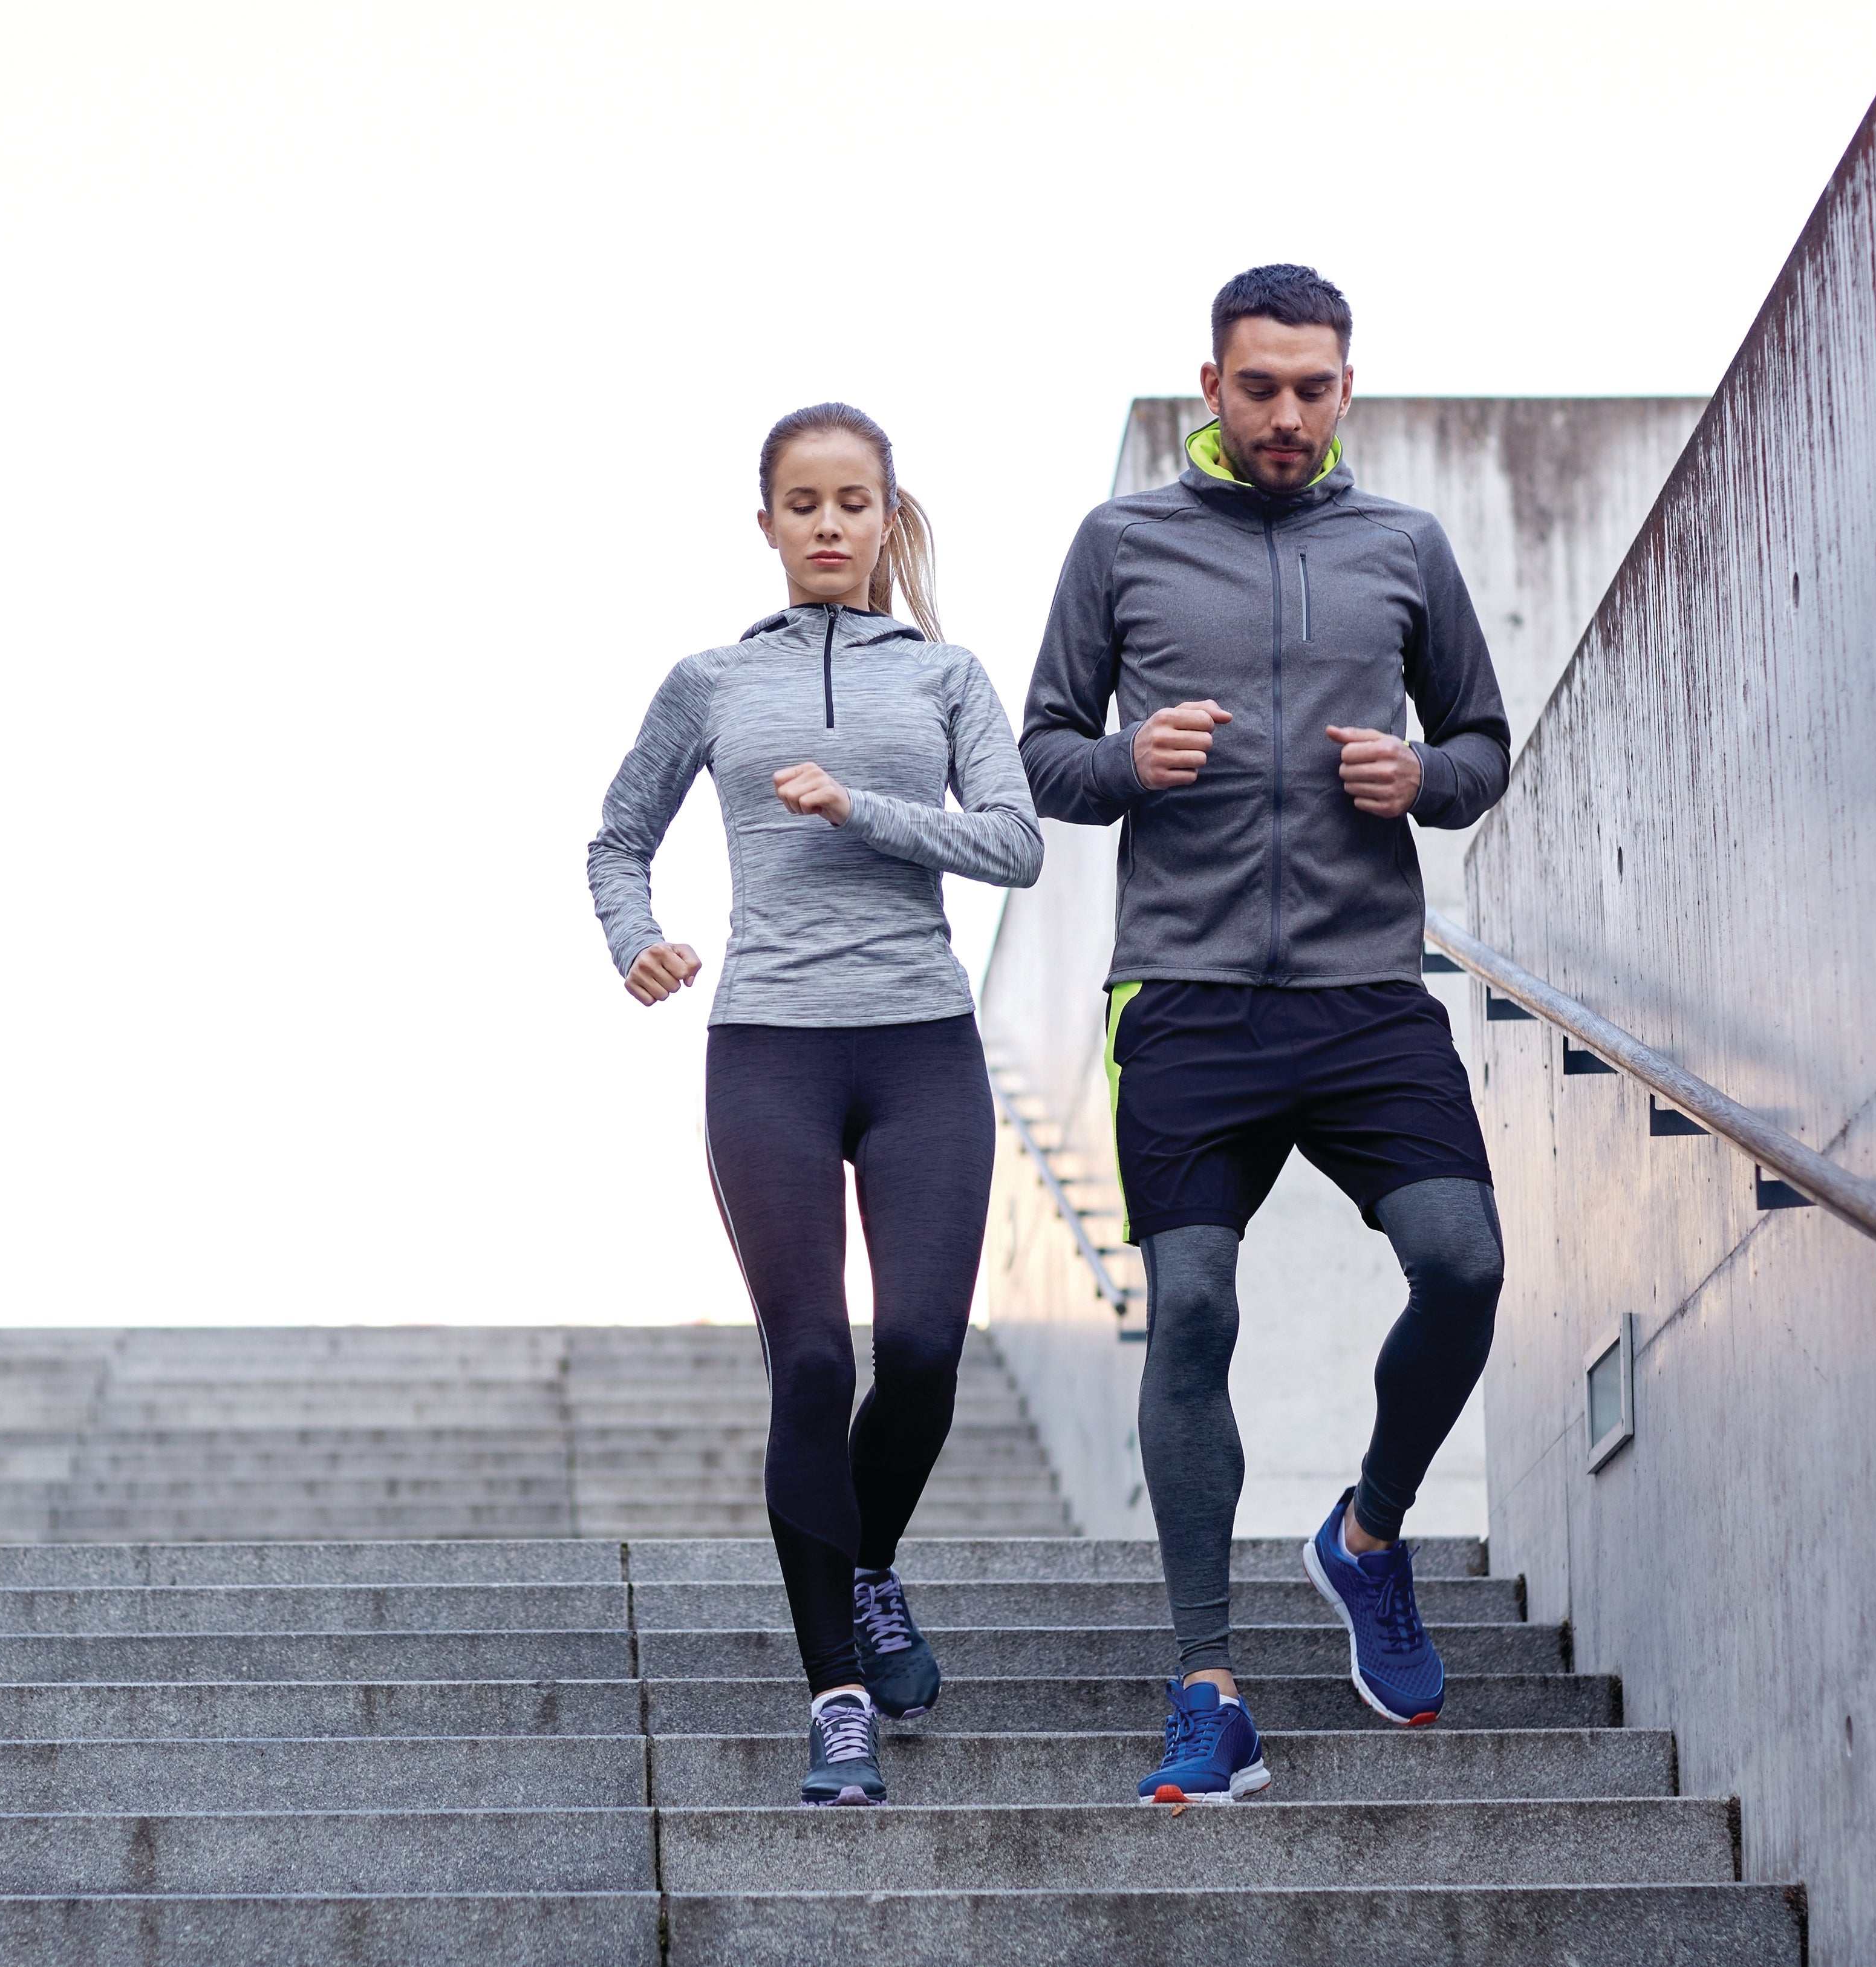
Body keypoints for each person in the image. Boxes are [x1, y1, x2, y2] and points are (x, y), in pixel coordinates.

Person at [1018, 265, 1512, 1807]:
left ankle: (1366, 1536)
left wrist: (1420, 783)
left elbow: (1485, 744)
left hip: (1366, 992)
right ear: (1210, 390)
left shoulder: (1403, 550)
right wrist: (1128, 762)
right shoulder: (1121, 546)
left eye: (1311, 388)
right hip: (1182, 992)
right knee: (1191, 1307)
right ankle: (1208, 1684)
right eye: (1258, 388)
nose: (1285, 414)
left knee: (1463, 1261)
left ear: (1343, 389)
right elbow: (1042, 754)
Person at [588, 403, 1043, 1807]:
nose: (829, 524)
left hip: (919, 1049)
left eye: (853, 501)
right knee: (808, 1365)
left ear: (885, 516)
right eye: (803, 503)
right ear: (769, 522)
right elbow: (614, 836)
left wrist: (863, 812)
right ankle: (834, 1692)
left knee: (914, 1353)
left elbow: (1016, 844)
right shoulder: (710, 682)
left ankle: (866, 1565)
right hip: (769, 1048)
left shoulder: (948, 676)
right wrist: (634, 939)